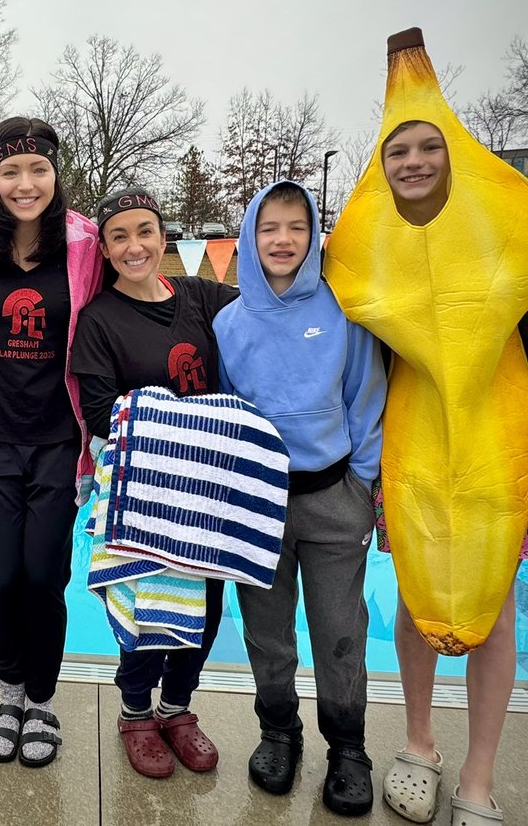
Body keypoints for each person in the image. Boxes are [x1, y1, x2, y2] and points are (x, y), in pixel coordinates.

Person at [324, 29, 528, 826]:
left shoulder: (505, 237)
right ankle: (420, 744)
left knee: (495, 605)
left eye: (430, 146)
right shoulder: (367, 252)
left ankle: (478, 775)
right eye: (399, 150)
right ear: (382, 164)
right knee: (415, 596)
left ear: (453, 154)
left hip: (504, 437)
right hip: (415, 442)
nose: (415, 161)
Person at [210, 181, 386, 815]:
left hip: (333, 495)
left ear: (314, 237)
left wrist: (362, 484)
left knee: (341, 630)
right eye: (269, 228)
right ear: (250, 237)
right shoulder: (229, 322)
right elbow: (227, 411)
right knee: (267, 631)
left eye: (296, 227)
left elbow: (365, 398)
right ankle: (278, 731)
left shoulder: (343, 312)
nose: (282, 240)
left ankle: (348, 746)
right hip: (256, 502)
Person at [0, 116, 102, 767]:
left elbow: (130, 299)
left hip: (59, 437)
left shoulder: (84, 243)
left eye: (37, 169)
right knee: (2, 573)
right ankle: (9, 690)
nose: (25, 182)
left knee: (46, 575)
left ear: (54, 173)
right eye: (11, 171)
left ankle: (41, 698)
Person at [68, 187, 235, 779]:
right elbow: (98, 413)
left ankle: (177, 708)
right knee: (147, 604)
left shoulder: (205, 297)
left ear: (164, 239)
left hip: (211, 487)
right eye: (120, 236)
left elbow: (273, 308)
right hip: (144, 489)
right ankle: (136, 712)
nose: (135, 245)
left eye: (145, 232)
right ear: (106, 251)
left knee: (207, 607)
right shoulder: (98, 322)